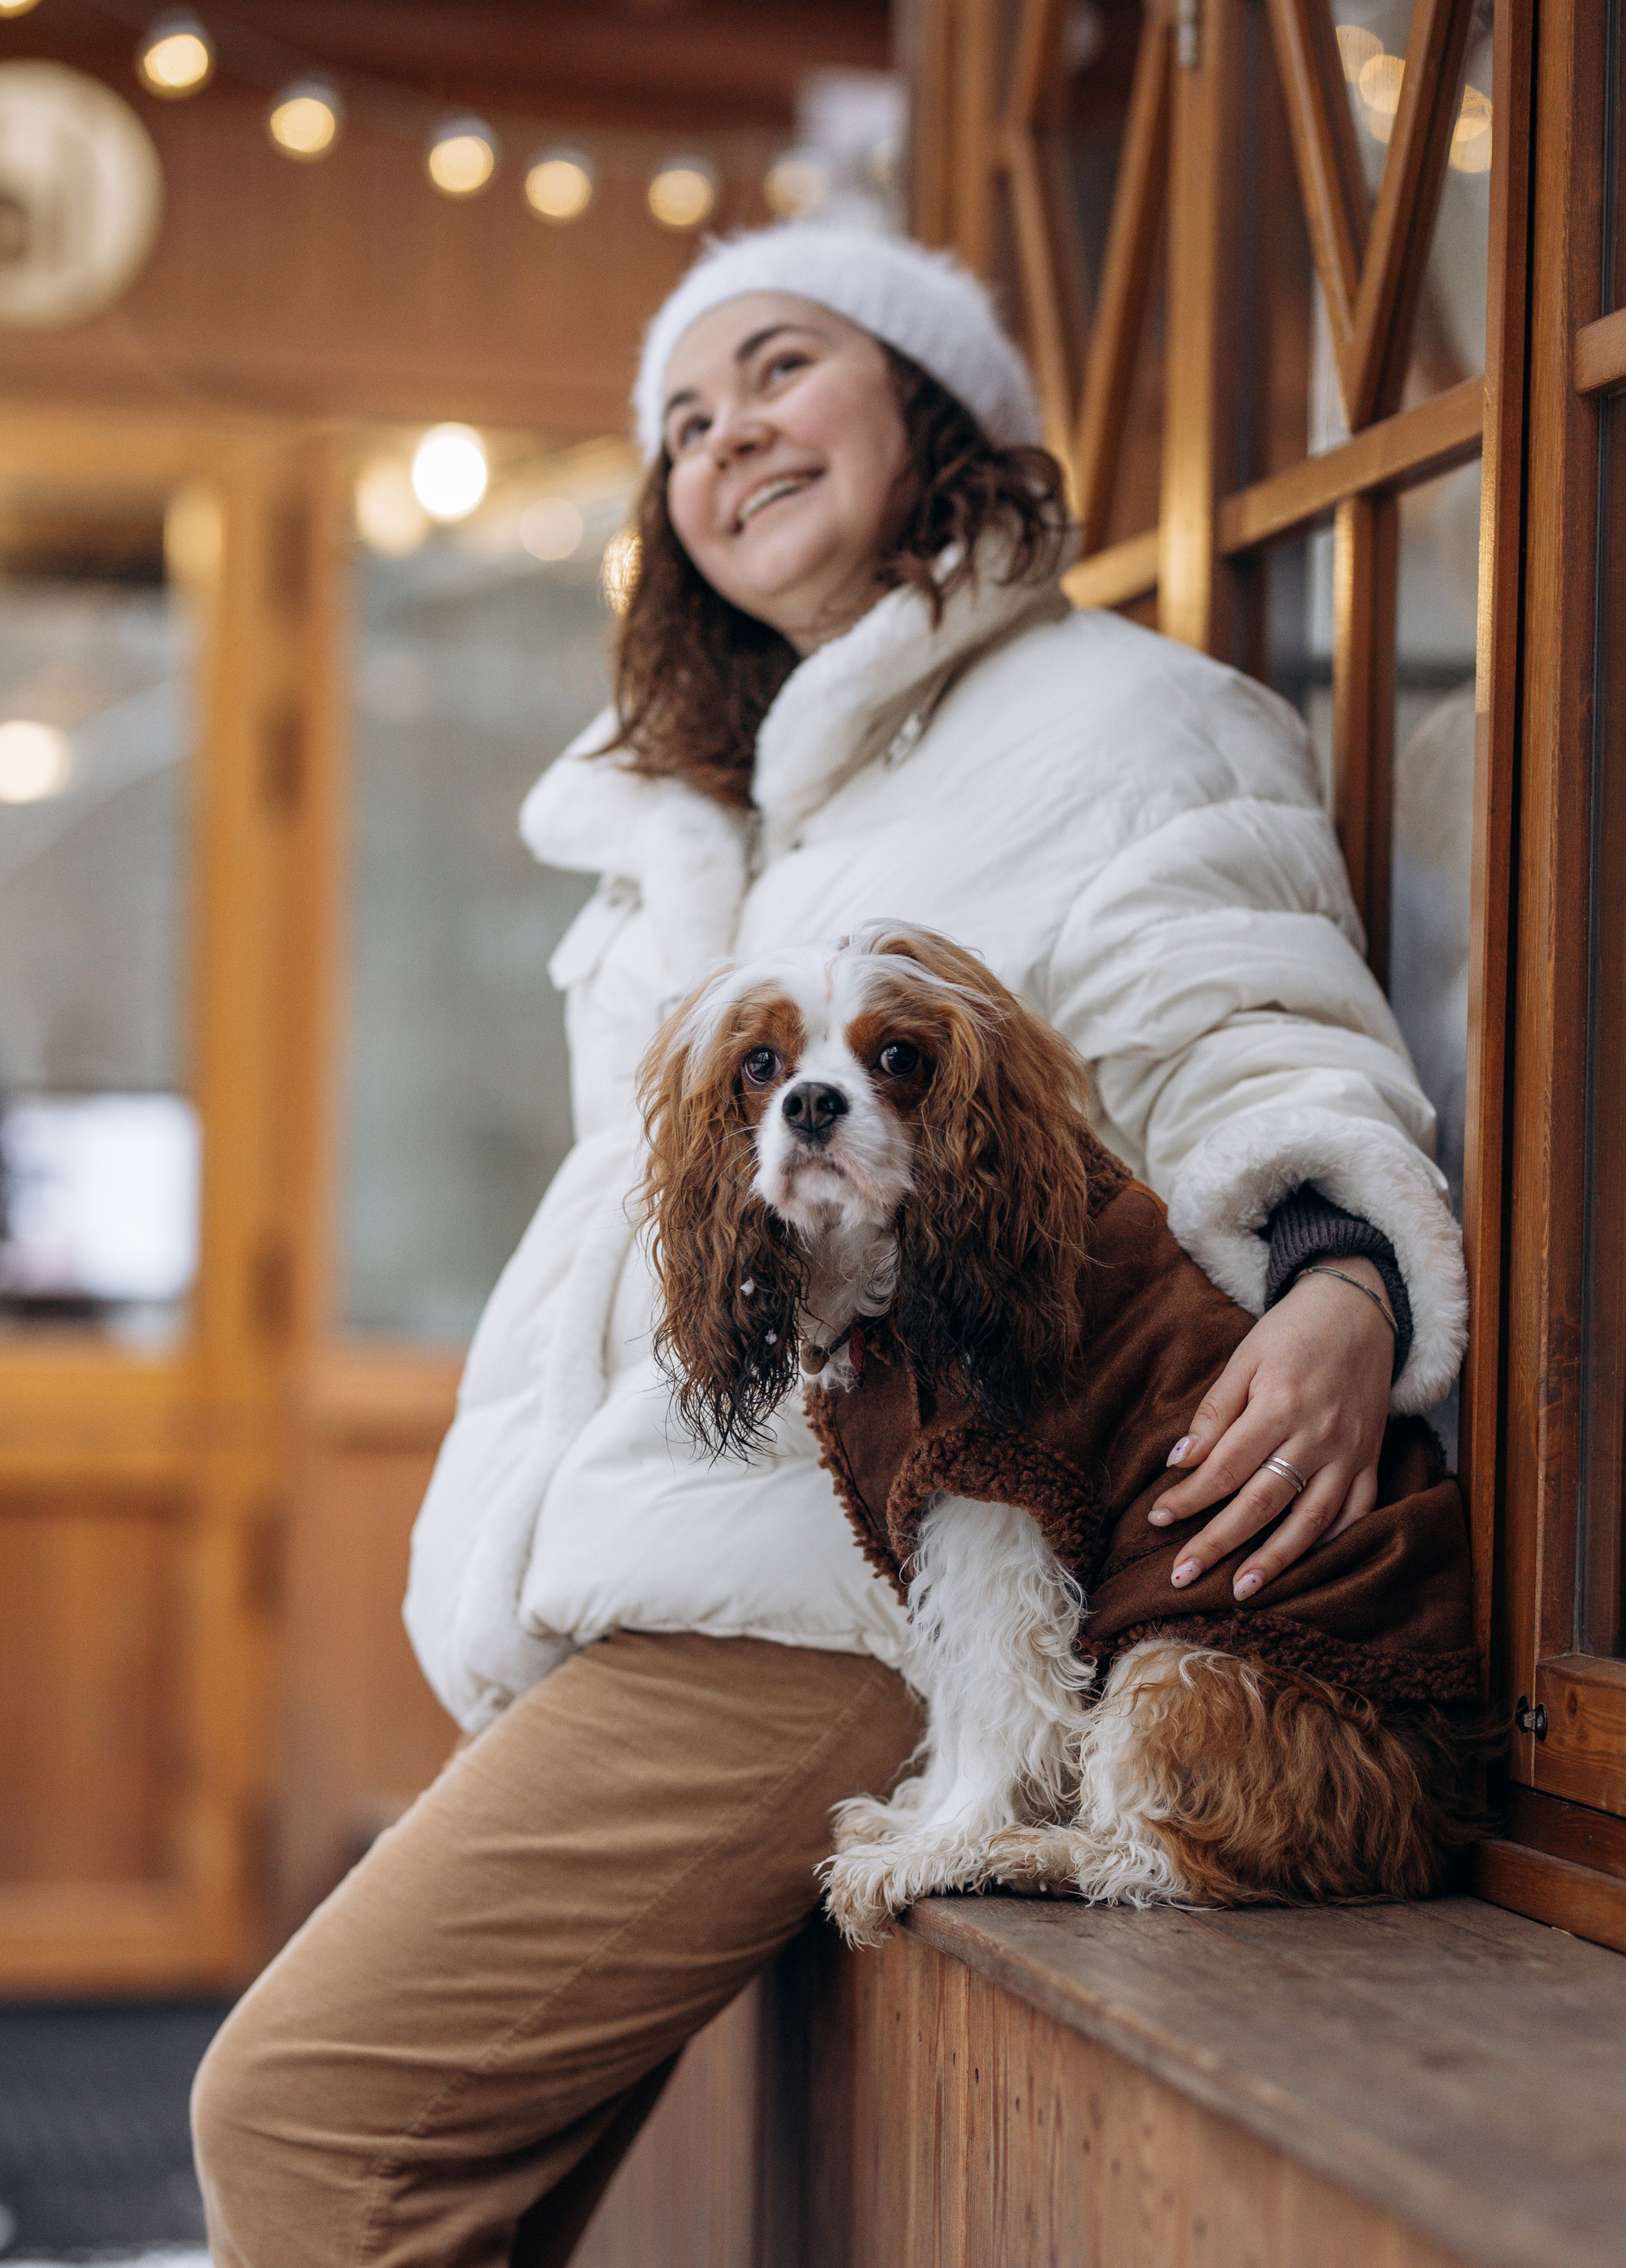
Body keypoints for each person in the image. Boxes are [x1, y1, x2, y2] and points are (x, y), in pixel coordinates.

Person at [191, 224, 1466, 2265]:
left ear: (934, 404)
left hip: (837, 1587)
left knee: (306, 2120)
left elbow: (1251, 1031)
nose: (729, 435)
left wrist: (1343, 1273)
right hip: (675, 1551)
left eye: (781, 366)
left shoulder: (1123, 721)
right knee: (440, 2185)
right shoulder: (723, 804)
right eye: (685, 421)